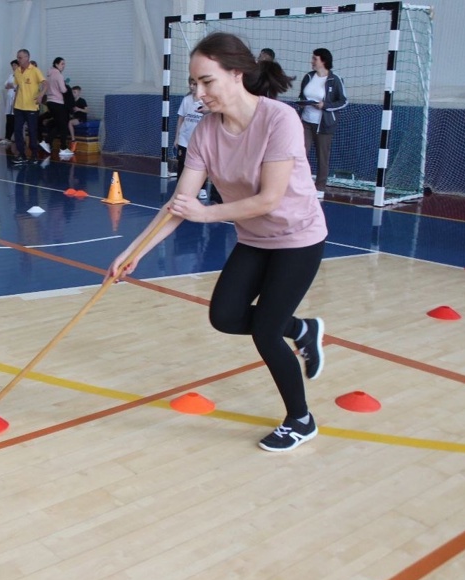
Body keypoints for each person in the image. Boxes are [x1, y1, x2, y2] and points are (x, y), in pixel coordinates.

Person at [108, 32, 327, 453]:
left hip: (298, 238)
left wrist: (207, 214)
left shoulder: (279, 119)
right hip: (254, 238)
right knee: (225, 316)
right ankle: (302, 329)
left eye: (206, 81)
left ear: (236, 73)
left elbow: (269, 198)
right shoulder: (205, 133)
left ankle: (301, 418)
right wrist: (131, 252)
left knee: (265, 332)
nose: (198, 93)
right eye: (193, 84)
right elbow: (179, 203)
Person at [298, 48, 348, 199]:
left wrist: (324, 106)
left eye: (315, 59)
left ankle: (320, 186)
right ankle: (300, 184)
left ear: (323, 61)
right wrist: (302, 103)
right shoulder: (308, 77)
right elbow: (301, 95)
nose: (312, 61)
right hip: (306, 121)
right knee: (300, 153)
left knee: (322, 156)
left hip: (324, 124)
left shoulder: (335, 79)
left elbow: (344, 101)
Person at [12, 48, 46, 165]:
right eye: (17, 57)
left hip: (31, 107)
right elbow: (17, 88)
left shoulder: (35, 70)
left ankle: (34, 154)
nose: (18, 59)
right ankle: (21, 154)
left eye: (20, 57)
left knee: (32, 131)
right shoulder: (17, 71)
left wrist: (41, 94)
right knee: (17, 130)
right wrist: (14, 102)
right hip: (19, 107)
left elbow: (46, 83)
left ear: (27, 58)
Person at [173, 77, 207, 177]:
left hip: (199, 141)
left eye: (194, 84)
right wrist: (177, 138)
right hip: (184, 140)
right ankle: (180, 188)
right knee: (182, 165)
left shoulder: (206, 102)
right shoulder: (186, 100)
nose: (191, 86)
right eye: (190, 84)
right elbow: (180, 119)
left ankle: (202, 189)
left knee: (199, 166)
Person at [41, 57, 71, 157]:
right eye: (62, 64)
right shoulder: (58, 75)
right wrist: (67, 90)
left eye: (64, 64)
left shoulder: (48, 75)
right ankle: (62, 148)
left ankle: (48, 142)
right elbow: (63, 90)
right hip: (58, 102)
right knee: (63, 126)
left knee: (59, 125)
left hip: (50, 102)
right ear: (56, 64)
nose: (64, 66)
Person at [0, 59, 18, 146]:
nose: (13, 67)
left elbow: (17, 86)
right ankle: (7, 137)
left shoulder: (21, 75)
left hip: (16, 99)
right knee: (9, 118)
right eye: (12, 66)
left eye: (15, 65)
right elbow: (6, 85)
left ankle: (16, 138)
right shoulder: (11, 75)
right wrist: (11, 85)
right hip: (9, 99)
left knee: (15, 120)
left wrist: (12, 85)